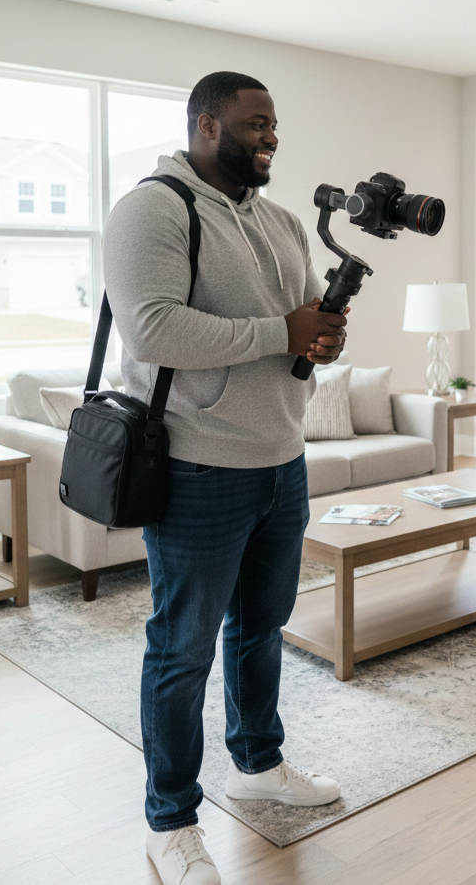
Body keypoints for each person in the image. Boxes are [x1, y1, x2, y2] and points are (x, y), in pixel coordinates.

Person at [103, 71, 346, 885]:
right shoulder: (151, 209)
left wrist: (318, 339)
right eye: (254, 123)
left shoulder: (279, 221)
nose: (270, 134)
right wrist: (282, 328)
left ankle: (258, 760)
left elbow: (302, 320)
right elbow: (151, 329)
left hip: (283, 459)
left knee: (261, 626)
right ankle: (168, 820)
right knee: (182, 649)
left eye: (275, 122)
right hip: (198, 465)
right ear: (206, 125)